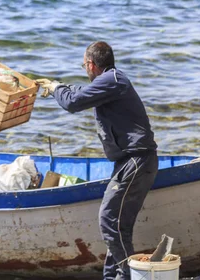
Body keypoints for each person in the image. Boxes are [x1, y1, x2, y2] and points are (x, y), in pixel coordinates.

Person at [37, 41, 158, 280]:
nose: (84, 69)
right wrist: (59, 86)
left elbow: (73, 102)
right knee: (119, 225)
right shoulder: (110, 82)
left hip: (136, 161)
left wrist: (55, 89)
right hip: (133, 162)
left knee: (108, 219)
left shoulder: (113, 81)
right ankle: (114, 277)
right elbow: (80, 93)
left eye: (83, 65)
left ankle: (126, 275)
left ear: (91, 64)